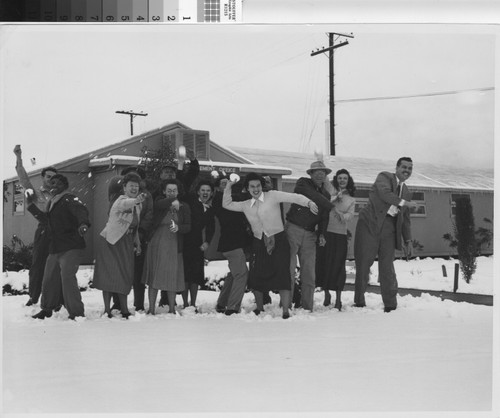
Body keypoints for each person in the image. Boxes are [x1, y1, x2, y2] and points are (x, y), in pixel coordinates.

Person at [223, 172, 318, 319]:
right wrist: (229, 186)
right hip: (258, 242)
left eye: (258, 185)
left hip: (279, 240)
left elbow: (294, 197)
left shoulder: (272, 196)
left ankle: (285, 310)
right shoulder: (245, 205)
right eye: (252, 186)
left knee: (283, 274)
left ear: (262, 186)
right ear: (247, 188)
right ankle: (259, 307)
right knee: (256, 275)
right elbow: (227, 204)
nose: (256, 189)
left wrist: (309, 203)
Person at [354, 157, 417, 312]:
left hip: (390, 227)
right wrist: (404, 203)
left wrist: (408, 240)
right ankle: (359, 301)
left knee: (387, 266)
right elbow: (385, 194)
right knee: (363, 263)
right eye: (404, 167)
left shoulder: (407, 191)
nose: (406, 171)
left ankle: (390, 304)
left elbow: (405, 219)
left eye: (410, 168)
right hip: (369, 223)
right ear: (396, 168)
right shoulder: (385, 177)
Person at [29, 174, 91, 320]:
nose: (54, 186)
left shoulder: (70, 198)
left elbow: (81, 211)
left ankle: (76, 312)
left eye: (57, 183)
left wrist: (83, 224)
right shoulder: (52, 202)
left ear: (65, 185)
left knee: (67, 277)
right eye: (51, 184)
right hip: (55, 247)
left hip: (71, 245)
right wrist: (31, 207)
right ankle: (47, 309)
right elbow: (47, 221)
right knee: (49, 278)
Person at [92, 173, 146, 319]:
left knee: (125, 275)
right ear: (124, 188)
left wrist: (138, 244)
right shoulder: (120, 200)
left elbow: (134, 226)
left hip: (126, 242)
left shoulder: (138, 205)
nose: (134, 188)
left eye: (136, 186)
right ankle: (107, 309)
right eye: (131, 186)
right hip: (110, 241)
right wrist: (136, 200)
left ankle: (124, 308)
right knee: (108, 275)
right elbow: (126, 204)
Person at [285, 161, 333, 312]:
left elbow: (325, 216)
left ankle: (308, 307)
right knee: (289, 270)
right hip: (293, 229)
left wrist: (322, 233)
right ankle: (286, 306)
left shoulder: (326, 194)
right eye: (316, 171)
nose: (320, 174)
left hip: (311, 234)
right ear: (310, 174)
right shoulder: (302, 184)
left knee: (309, 273)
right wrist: (331, 206)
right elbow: (313, 196)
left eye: (323, 172)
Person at [13, 145, 57, 306]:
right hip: (44, 231)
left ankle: (55, 298)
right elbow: (23, 178)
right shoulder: (36, 193)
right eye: (48, 176)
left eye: (54, 177)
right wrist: (18, 157)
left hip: (58, 233)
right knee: (38, 264)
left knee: (55, 265)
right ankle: (33, 296)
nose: (51, 179)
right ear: (43, 178)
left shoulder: (59, 194)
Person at [107, 166, 154, 312]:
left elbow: (148, 215)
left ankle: (138, 303)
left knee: (138, 273)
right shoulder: (118, 196)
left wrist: (140, 233)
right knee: (118, 271)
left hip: (138, 238)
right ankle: (117, 303)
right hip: (119, 239)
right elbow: (113, 214)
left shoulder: (146, 196)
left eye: (135, 182)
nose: (133, 185)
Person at [142, 179, 191, 314]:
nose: (171, 193)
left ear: (178, 191)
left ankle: (171, 308)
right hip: (157, 243)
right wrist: (172, 201)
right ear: (163, 191)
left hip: (174, 244)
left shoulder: (184, 206)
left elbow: (188, 226)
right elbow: (159, 204)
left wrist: (179, 227)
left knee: (172, 276)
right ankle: (151, 309)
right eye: (169, 190)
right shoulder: (159, 202)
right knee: (154, 276)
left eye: (174, 190)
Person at [316, 169, 356, 311]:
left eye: (345, 178)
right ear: (336, 179)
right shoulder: (330, 192)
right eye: (340, 178)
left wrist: (340, 213)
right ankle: (327, 294)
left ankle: (338, 298)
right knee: (325, 263)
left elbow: (350, 216)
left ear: (348, 180)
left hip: (340, 235)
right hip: (326, 232)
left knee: (338, 266)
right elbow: (324, 178)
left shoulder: (351, 199)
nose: (342, 180)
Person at [212, 176, 252, 315]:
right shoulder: (219, 200)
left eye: (228, 183)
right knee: (241, 274)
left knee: (234, 274)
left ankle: (222, 303)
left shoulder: (234, 200)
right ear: (217, 188)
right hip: (231, 243)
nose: (227, 185)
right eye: (223, 184)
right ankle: (233, 307)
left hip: (236, 243)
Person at [182, 180, 215, 309]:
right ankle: (185, 303)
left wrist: (207, 242)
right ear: (198, 192)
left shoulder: (210, 209)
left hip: (198, 244)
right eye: (203, 190)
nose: (205, 193)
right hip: (185, 241)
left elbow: (211, 227)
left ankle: (193, 303)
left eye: (208, 191)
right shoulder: (191, 202)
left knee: (195, 275)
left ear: (211, 193)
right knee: (185, 275)